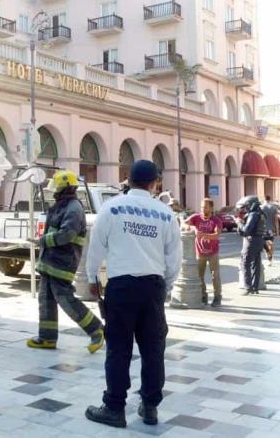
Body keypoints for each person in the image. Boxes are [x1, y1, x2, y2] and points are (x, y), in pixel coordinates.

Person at [84, 160, 182, 429]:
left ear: (128, 180)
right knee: (153, 349)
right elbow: (174, 258)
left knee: (118, 348)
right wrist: (166, 286)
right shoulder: (165, 214)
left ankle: (114, 407)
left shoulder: (112, 207)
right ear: (154, 184)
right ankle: (150, 407)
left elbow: (96, 246)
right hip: (152, 287)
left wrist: (93, 278)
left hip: (121, 286)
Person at [26, 169, 105, 354]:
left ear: (66, 189)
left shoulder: (73, 208)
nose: (54, 192)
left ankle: (96, 329)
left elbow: (67, 234)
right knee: (45, 299)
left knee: (65, 300)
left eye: (57, 189)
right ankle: (47, 337)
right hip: (50, 262)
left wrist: (43, 241)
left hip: (62, 263)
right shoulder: (63, 205)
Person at [185, 198, 223, 307]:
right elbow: (183, 224)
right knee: (199, 276)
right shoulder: (196, 217)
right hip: (200, 252)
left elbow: (216, 235)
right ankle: (203, 296)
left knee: (215, 275)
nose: (203, 209)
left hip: (213, 253)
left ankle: (217, 297)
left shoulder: (216, 220)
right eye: (202, 206)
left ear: (211, 208)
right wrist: (192, 228)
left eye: (205, 207)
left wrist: (204, 235)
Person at [236, 195, 265, 295]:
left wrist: (239, 222)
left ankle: (248, 287)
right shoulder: (260, 213)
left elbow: (246, 230)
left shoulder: (253, 214)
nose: (246, 208)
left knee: (245, 263)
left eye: (247, 206)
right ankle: (255, 287)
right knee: (256, 264)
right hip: (259, 240)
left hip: (251, 241)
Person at [261, 195, 280, 265]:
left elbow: (260, 219)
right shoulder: (274, 208)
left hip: (263, 229)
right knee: (271, 243)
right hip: (271, 229)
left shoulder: (261, 208)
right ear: (270, 199)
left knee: (265, 244)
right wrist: (277, 231)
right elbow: (276, 220)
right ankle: (270, 258)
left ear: (264, 199)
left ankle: (269, 256)